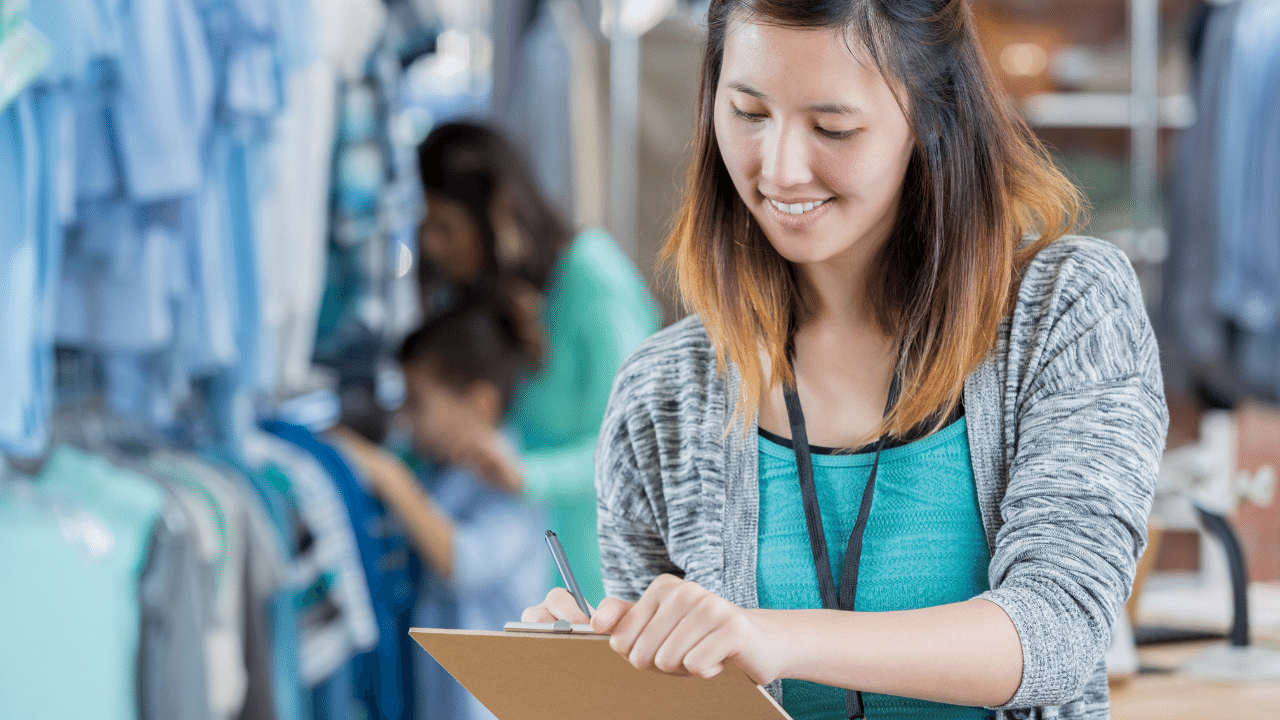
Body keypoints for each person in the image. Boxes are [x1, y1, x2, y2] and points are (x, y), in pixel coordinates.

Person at [522, 2, 1168, 720]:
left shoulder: (1067, 313)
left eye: (834, 127)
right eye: (748, 113)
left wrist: (775, 637)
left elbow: (1059, 629)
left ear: (932, 117)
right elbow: (671, 703)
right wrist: (595, 670)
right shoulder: (661, 392)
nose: (780, 167)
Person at [415, 121, 661, 604]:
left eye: (446, 225)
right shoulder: (495, 302)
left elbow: (641, 445)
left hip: (607, 588)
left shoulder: (590, 274)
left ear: (494, 213)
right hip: (531, 589)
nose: (432, 246)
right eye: (427, 228)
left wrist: (527, 474)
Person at [328, 293, 549, 720]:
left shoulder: (509, 483)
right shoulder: (442, 470)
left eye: (417, 402)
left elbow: (461, 562)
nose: (407, 419)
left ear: (480, 404)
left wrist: (387, 474)